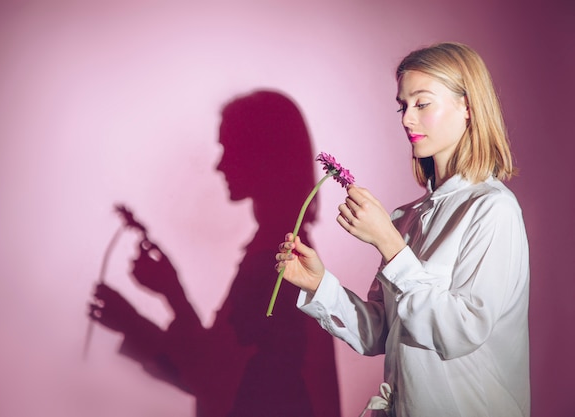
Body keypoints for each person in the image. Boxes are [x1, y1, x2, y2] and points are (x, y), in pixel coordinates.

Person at [275, 42, 530, 417]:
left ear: (468, 107)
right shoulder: (406, 217)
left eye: (422, 103)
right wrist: (319, 285)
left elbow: (460, 332)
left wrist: (390, 244)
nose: (406, 119)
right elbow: (382, 333)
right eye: (403, 105)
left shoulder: (493, 209)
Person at [89, 90, 341, 417]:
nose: (219, 165)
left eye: (228, 148)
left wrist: (155, 306)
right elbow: (221, 372)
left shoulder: (275, 267)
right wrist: (152, 308)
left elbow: (215, 379)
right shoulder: (282, 254)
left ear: (263, 152)